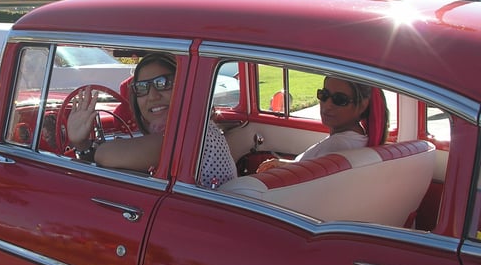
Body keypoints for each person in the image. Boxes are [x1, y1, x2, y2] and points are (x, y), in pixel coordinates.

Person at [66, 53, 237, 186]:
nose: (153, 96)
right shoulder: (193, 130)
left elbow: (106, 155)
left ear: (186, 86)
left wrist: (86, 145)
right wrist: (81, 145)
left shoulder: (190, 136)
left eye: (163, 83)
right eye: (142, 88)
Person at [258, 76, 389, 172]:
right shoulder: (357, 140)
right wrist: (285, 164)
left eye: (339, 100)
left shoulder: (337, 146)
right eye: (324, 95)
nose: (327, 105)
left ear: (362, 106)